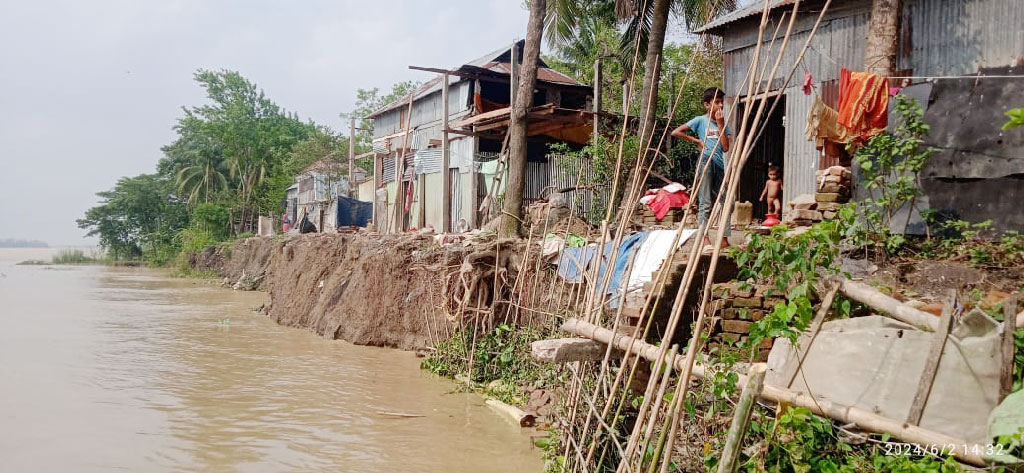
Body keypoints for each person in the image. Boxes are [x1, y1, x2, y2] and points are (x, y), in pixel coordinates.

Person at [671, 87, 732, 251]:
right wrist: (696, 141)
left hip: (719, 164)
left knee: (726, 201)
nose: (720, 106)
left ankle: (724, 239)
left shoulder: (722, 123)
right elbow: (676, 132)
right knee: (705, 202)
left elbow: (725, 147)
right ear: (707, 104)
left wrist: (720, 124)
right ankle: (705, 240)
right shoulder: (699, 120)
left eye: (721, 102)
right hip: (705, 161)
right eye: (716, 102)